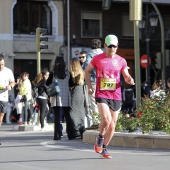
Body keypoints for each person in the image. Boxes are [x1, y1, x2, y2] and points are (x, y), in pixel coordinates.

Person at [85, 34, 135, 159]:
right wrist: (89, 86)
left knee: (112, 125)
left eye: (115, 46)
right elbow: (87, 71)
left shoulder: (121, 60)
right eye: (110, 46)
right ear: (105, 45)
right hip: (101, 94)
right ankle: (100, 137)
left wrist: (130, 80)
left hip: (116, 94)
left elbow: (127, 77)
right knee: (106, 120)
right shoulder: (97, 59)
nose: (113, 48)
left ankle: (104, 148)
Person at [48, 56, 71, 140]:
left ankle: (57, 135)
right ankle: (71, 134)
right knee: (68, 116)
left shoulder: (53, 73)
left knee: (57, 117)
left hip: (56, 97)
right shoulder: (68, 73)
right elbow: (71, 84)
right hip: (66, 97)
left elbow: (47, 83)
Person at [84, 39, 103, 127]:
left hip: (94, 80)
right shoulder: (104, 54)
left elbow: (87, 66)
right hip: (105, 80)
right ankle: (104, 118)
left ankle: (96, 121)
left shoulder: (90, 55)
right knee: (104, 100)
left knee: (94, 101)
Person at [67, 58, 85, 139]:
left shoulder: (71, 74)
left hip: (75, 93)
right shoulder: (82, 72)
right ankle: (81, 129)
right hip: (81, 92)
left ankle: (76, 130)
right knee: (81, 110)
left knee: (72, 111)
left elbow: (70, 84)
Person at [0, 54, 15, 126]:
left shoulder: (8, 71)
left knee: (1, 116)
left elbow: (13, 82)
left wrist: (10, 86)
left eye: (2, 64)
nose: (1, 66)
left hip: (4, 97)